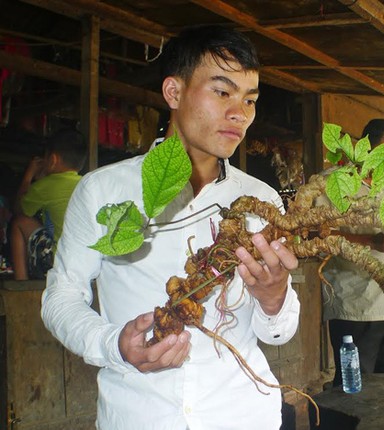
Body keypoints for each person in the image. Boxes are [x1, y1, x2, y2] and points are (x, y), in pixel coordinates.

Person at [41, 26, 300, 430]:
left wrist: (274, 297)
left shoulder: (259, 199)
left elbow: (279, 333)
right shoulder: (104, 191)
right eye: (222, 92)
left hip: (243, 415)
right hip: (139, 417)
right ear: (174, 93)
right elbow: (61, 296)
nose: (241, 113)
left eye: (250, 99)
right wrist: (114, 345)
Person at [321, 118, 384, 387]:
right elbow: (313, 235)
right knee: (355, 393)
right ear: (368, 148)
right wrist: (368, 240)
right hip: (359, 307)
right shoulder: (334, 183)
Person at [10, 129, 86, 280]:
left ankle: (21, 284)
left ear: (52, 160)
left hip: (59, 261)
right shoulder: (85, 183)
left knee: (19, 223)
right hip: (85, 263)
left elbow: (19, 210)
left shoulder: (45, 186)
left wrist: (28, 177)